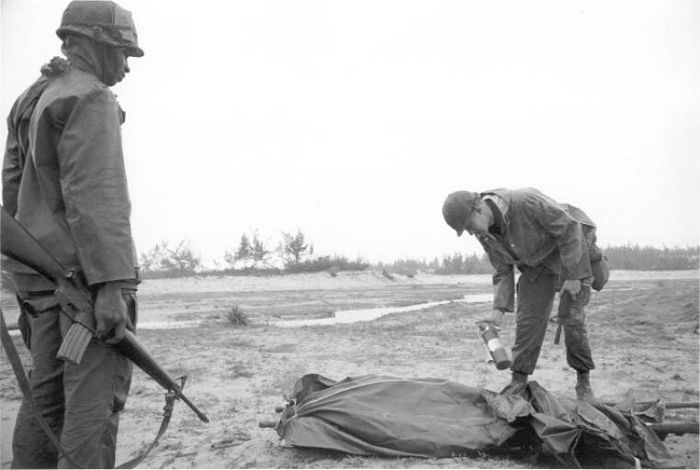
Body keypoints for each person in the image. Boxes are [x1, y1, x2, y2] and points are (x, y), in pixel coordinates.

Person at [2, 1, 144, 467]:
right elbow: (97, 197)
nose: (126, 67)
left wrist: (28, 275)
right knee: (91, 413)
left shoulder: (32, 97)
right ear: (96, 43)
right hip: (85, 287)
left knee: (46, 406)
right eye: (124, 53)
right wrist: (109, 287)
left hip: (42, 285)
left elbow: (11, 187)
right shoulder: (91, 97)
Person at [442, 187, 598, 401]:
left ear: (478, 208)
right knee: (528, 321)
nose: (471, 232)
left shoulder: (525, 201)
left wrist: (572, 277)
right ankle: (519, 380)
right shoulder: (485, 234)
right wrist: (498, 312)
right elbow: (501, 270)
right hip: (535, 266)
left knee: (572, 319)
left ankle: (583, 381)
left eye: (469, 226)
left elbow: (570, 229)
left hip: (569, 254)